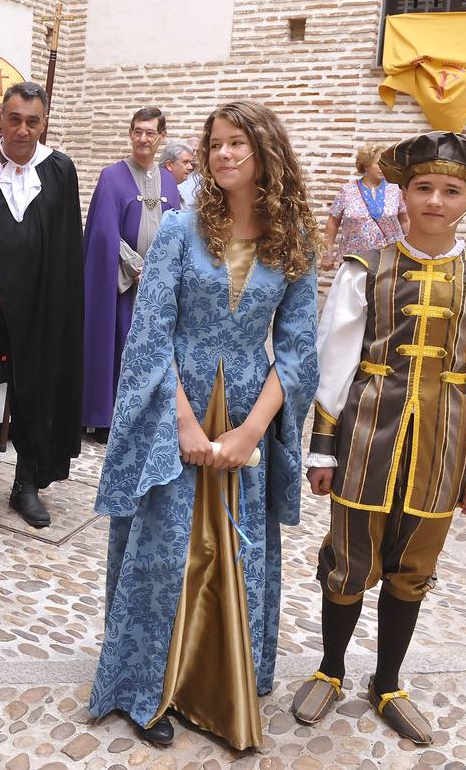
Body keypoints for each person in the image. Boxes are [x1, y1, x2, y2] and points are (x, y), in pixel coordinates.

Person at [90, 100, 320, 750]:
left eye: (237, 145)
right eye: (215, 144)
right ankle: (146, 689)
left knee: (236, 552)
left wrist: (250, 435)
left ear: (266, 153)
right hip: (176, 409)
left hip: (250, 403)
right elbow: (151, 332)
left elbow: (299, 351)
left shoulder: (293, 240)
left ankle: (220, 682)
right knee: (166, 551)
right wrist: (186, 423)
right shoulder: (179, 230)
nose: (222, 155)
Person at [292, 132, 466, 746]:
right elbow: (334, 357)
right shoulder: (364, 268)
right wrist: (323, 444)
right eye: (424, 187)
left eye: (451, 191)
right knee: (346, 562)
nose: (435, 201)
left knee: (413, 568)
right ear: (403, 194)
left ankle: (388, 682)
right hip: (366, 438)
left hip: (444, 446)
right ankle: (331, 669)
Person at [0, 81, 83, 528]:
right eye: (14, 119)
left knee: (34, 391)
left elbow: (67, 244)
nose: (23, 130)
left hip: (40, 304)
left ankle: (26, 483)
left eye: (32, 121)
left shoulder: (60, 169)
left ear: (43, 123)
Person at [83, 108, 181, 437]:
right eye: (137, 131)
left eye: (150, 133)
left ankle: (145, 415)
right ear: (130, 133)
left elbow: (176, 229)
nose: (143, 138)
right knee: (120, 344)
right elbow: (103, 232)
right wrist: (137, 268)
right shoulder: (112, 176)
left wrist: (161, 269)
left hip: (157, 285)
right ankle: (108, 417)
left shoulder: (168, 179)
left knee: (152, 348)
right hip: (122, 283)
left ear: (161, 137)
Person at [319, 143, 408, 272]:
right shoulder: (348, 190)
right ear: (366, 166)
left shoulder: (395, 189)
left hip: (389, 259)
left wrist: (411, 250)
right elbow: (333, 222)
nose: (383, 168)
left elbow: (405, 220)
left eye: (386, 164)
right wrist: (327, 252)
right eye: (379, 163)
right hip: (354, 259)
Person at [171, 140, 202, 207]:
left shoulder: (206, 177)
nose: (195, 154)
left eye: (198, 151)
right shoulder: (174, 175)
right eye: (192, 151)